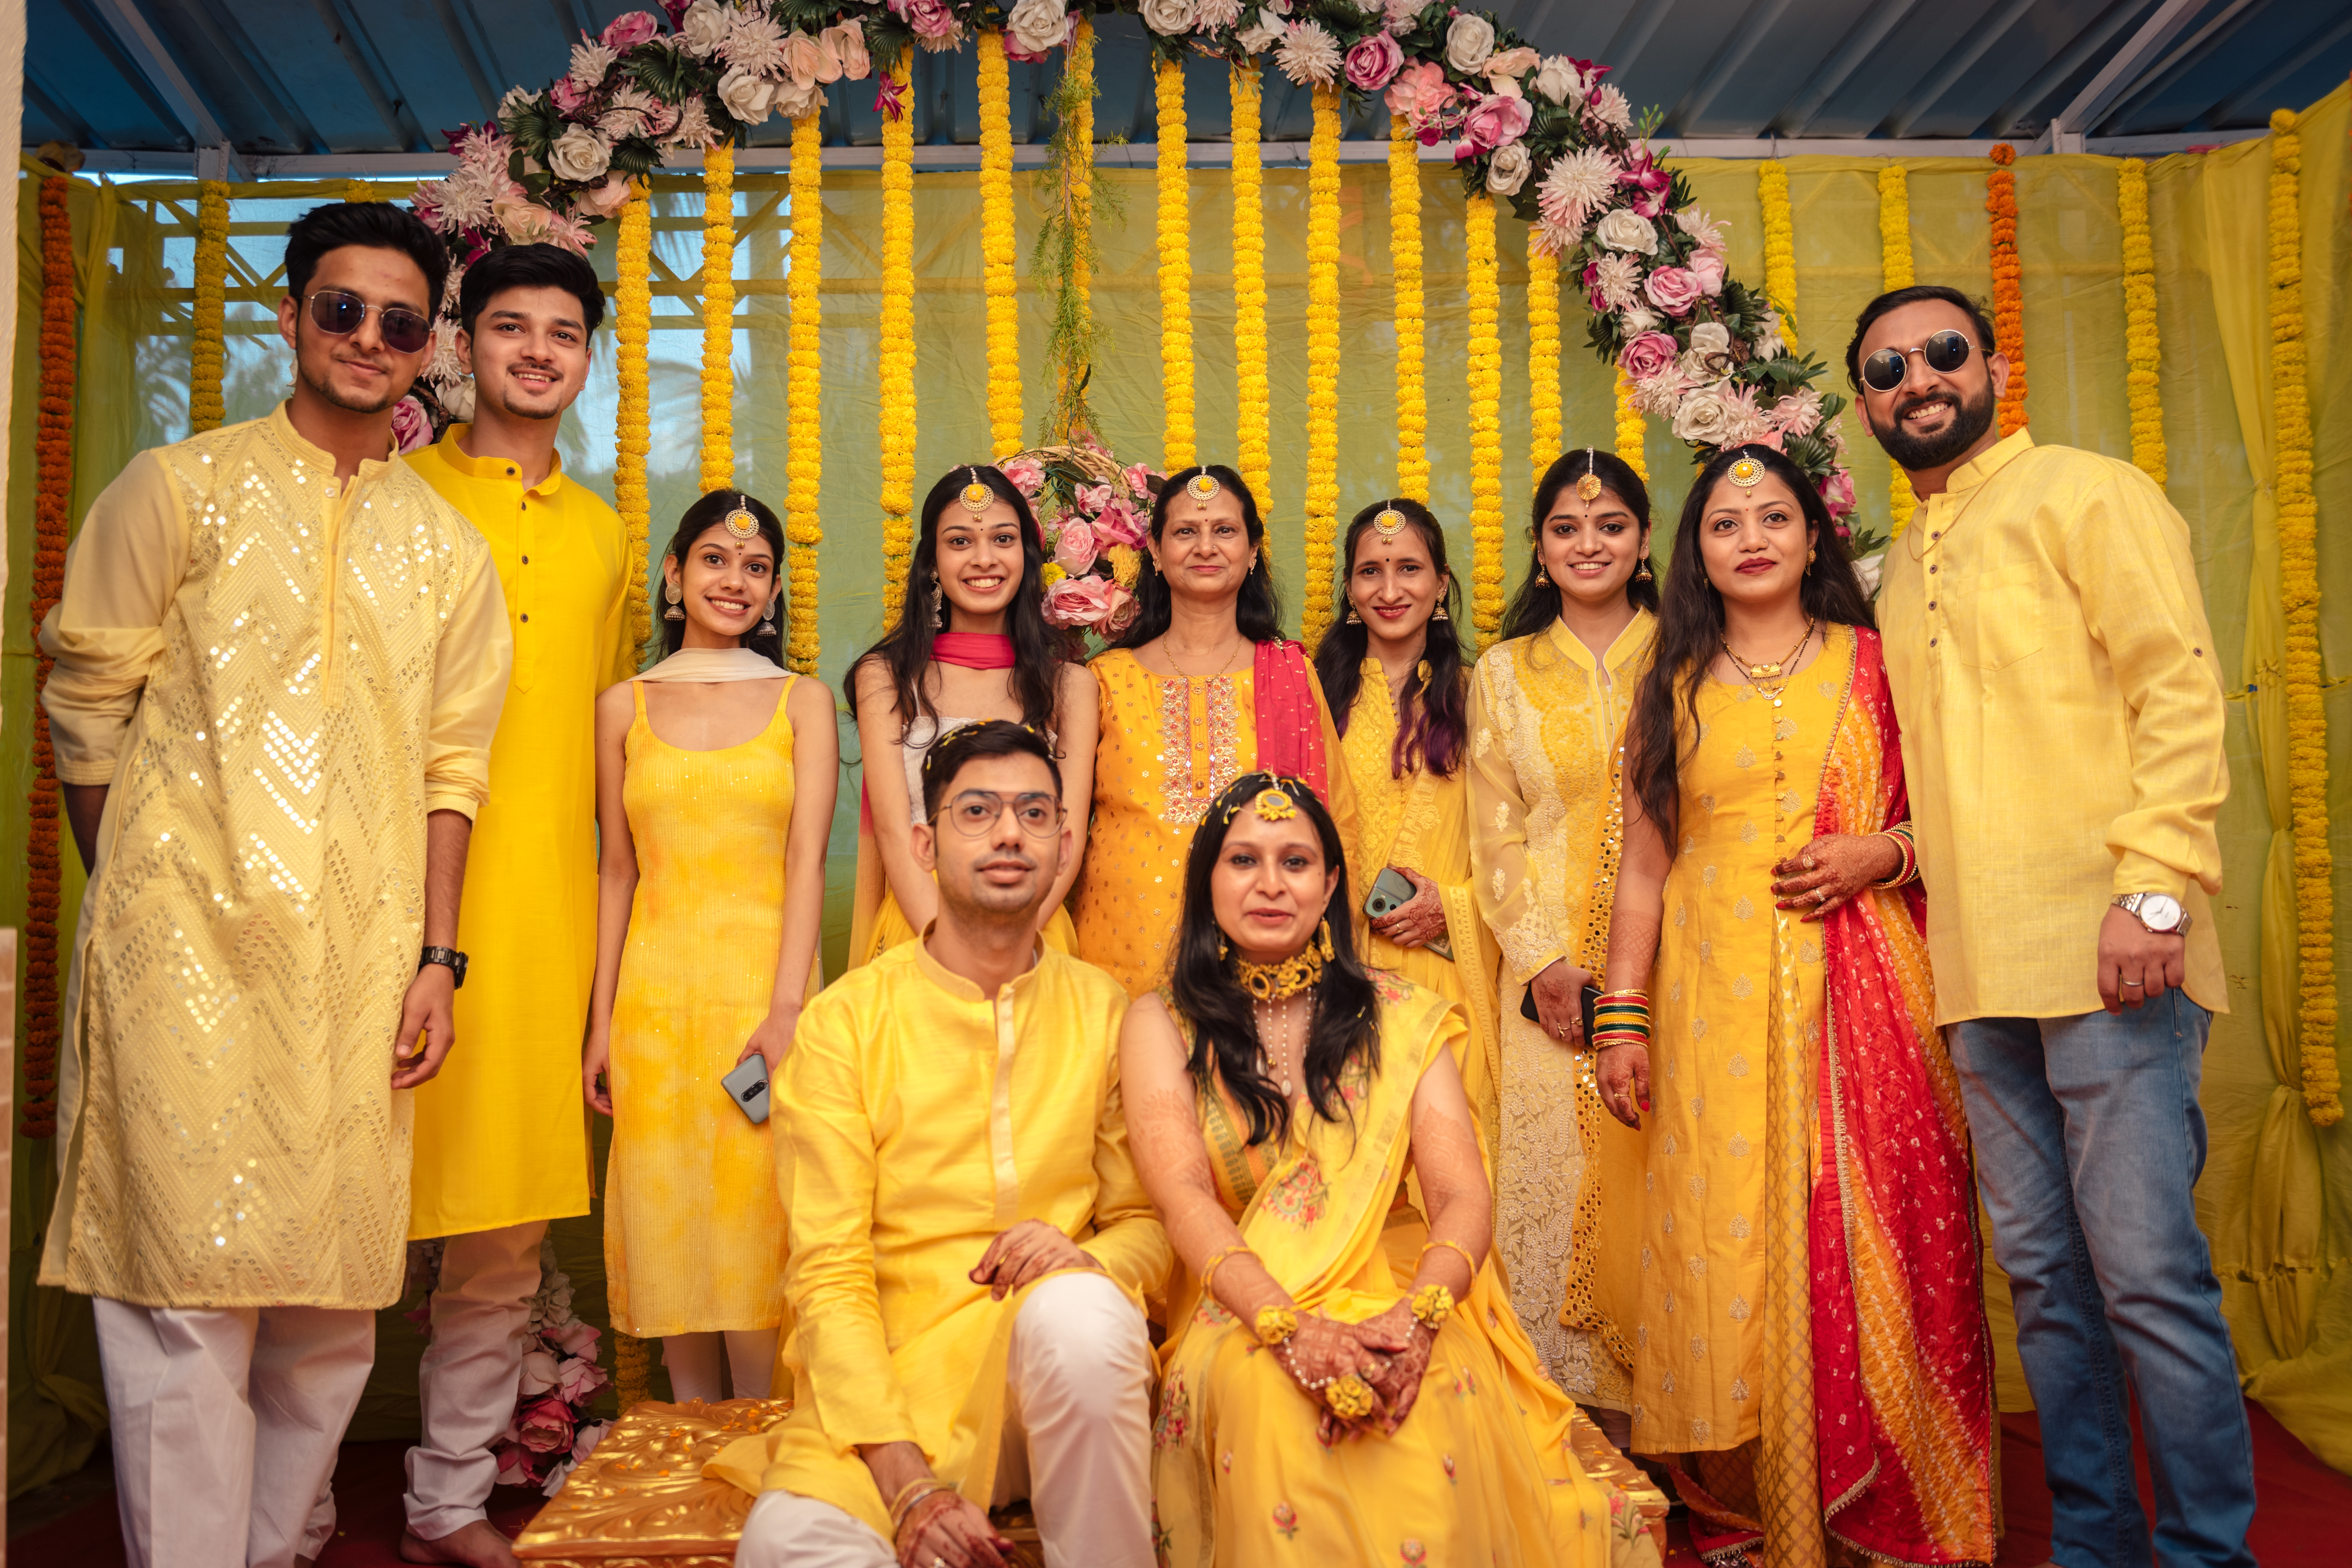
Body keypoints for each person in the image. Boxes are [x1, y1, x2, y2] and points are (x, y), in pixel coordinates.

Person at [35, 201, 511, 1568]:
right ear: (290, 314)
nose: (369, 338)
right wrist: (139, 908)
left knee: (328, 1315)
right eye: (343, 309)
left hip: (362, 962)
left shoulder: (446, 554)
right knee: (180, 1293)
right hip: (179, 947)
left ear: (432, 350)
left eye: (401, 322)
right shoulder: (175, 489)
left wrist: (437, 957)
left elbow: (451, 771)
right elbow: (88, 708)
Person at [1848, 283, 2251, 1567]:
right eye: (1886, 368)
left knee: (2143, 1277)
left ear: (1992, 365)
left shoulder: (2086, 491)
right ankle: (2096, 1546)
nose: (1917, 378)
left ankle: (2205, 1553)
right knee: (2047, 1294)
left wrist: (2150, 889)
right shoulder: (1901, 560)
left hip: (2112, 951)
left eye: (1941, 353)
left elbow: (2176, 688)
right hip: (1977, 976)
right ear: (1864, 404)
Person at [1594, 443, 1994, 1567]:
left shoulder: (1880, 664)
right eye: (1726, 523)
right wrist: (1624, 1016)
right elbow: (1642, 867)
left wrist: (1885, 850)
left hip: (1867, 991)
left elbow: (1957, 814)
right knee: (1735, 1243)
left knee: (1873, 1221)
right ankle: (1764, 1496)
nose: (1753, 537)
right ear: (1699, 554)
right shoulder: (1669, 682)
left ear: (1815, 539)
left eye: (1775, 517)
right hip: (1714, 1001)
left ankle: (1893, 1502)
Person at [1120, 773, 1632, 1566]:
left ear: (1329, 884)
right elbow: (1181, 1189)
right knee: (1267, 1399)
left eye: (1294, 862)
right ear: (1206, 881)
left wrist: (1418, 1320)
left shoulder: (1397, 1013)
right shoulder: (1161, 1021)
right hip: (1242, 1298)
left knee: (1431, 1397)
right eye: (1242, 860)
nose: (1268, 883)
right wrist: (1284, 1328)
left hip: (1405, 1294)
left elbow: (1459, 1192)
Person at [713, 720, 1170, 1568]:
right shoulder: (845, 1024)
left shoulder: (1105, 1010)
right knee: (787, 1549)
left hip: (1053, 1379)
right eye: (978, 811)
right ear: (923, 842)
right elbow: (828, 1270)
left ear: (1063, 842)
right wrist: (904, 1478)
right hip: (890, 1382)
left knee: (1082, 1307)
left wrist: (1082, 1257)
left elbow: (1148, 1223)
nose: (1009, 833)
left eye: (1034, 812)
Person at [396, 242, 636, 1568]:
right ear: (460, 346)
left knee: (499, 1239)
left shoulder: (605, 534)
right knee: (339, 1223)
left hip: (539, 922)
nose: (537, 351)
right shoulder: (395, 493)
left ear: (587, 359)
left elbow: (603, 765)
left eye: (563, 332)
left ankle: (443, 1505)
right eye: (509, 328)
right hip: (390, 910)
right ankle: (283, 1515)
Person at [582, 491, 836, 1407]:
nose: (735, 581)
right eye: (716, 562)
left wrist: (787, 1011)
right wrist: (600, 1024)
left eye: (756, 567)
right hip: (653, 1004)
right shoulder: (623, 706)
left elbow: (807, 864)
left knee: (760, 1223)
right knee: (666, 1227)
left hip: (764, 1003)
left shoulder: (803, 703)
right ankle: (685, 1458)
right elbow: (617, 873)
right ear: (674, 576)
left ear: (774, 592)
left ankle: (767, 1454)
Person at [1465, 448, 1658, 1415]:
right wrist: (1539, 959)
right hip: (1542, 972)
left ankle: (1675, 1437)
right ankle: (1560, 1440)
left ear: (1645, 542)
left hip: (1669, 964)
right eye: (1567, 528)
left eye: (1610, 525)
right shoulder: (1501, 673)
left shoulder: (1684, 654)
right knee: (1547, 1188)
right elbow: (1490, 830)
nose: (1589, 543)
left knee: (1664, 1183)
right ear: (1539, 550)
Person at [1077, 464, 1359, 997]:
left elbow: (1337, 821)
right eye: (1185, 531)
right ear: (1156, 554)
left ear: (1253, 551)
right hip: (1117, 959)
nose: (1205, 546)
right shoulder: (1104, 680)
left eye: (1225, 531)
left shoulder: (1291, 674)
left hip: (1260, 962)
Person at [846, 464, 1094, 964]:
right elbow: (896, 832)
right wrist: (948, 945)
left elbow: (1068, 834)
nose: (984, 559)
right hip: (919, 927)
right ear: (932, 562)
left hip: (1035, 931)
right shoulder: (889, 678)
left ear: (1025, 556)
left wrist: (1010, 941)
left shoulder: (1070, 686)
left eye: (1002, 539)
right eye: (960, 542)